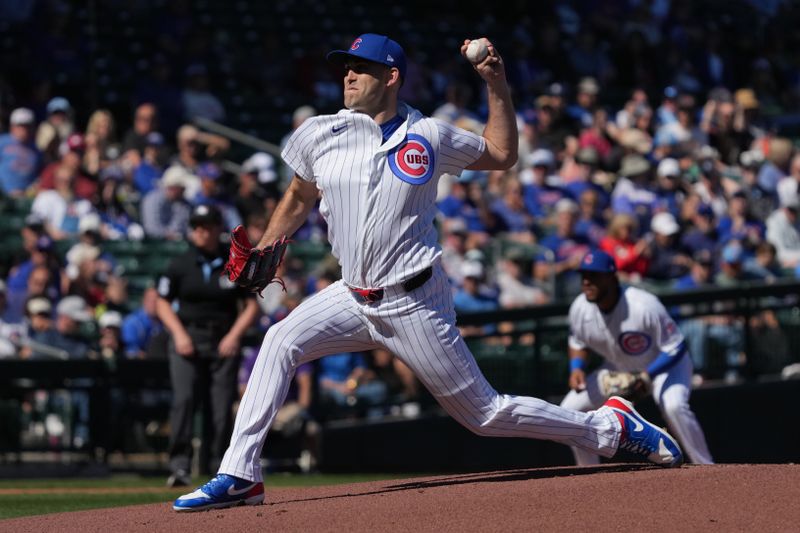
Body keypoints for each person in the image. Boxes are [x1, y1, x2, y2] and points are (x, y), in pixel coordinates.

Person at [174, 34, 683, 512]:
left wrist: (496, 84)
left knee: (486, 415)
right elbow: (300, 195)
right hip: (351, 296)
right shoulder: (319, 133)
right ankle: (241, 474)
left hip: (413, 300)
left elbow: (502, 154)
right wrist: (267, 244)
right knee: (279, 342)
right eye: (346, 68)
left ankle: (609, 428)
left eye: (361, 68)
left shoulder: (429, 134)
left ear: (391, 77)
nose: (348, 76)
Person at [560, 250, 713, 465]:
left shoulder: (643, 305)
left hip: (664, 366)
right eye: (583, 275)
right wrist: (576, 368)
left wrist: (645, 375)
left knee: (674, 406)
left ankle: (706, 466)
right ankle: (588, 472)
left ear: (612, 277)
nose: (586, 281)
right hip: (618, 367)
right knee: (570, 410)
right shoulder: (579, 308)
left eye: (594, 275)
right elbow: (577, 342)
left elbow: (675, 347)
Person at [156, 204, 259, 488]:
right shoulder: (180, 264)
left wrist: (234, 336)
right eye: (197, 227)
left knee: (221, 405)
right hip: (188, 336)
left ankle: (220, 467)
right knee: (184, 400)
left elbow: (251, 305)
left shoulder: (232, 263)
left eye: (207, 227)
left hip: (223, 339)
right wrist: (179, 335)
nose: (202, 232)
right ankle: (179, 467)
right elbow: (162, 302)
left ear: (217, 229)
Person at [0, 107, 41, 196]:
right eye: (20, 125)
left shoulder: (37, 150)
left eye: (27, 126)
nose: (23, 129)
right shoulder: (2, 142)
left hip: (25, 198)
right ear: (12, 126)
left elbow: (38, 177)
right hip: (3, 195)